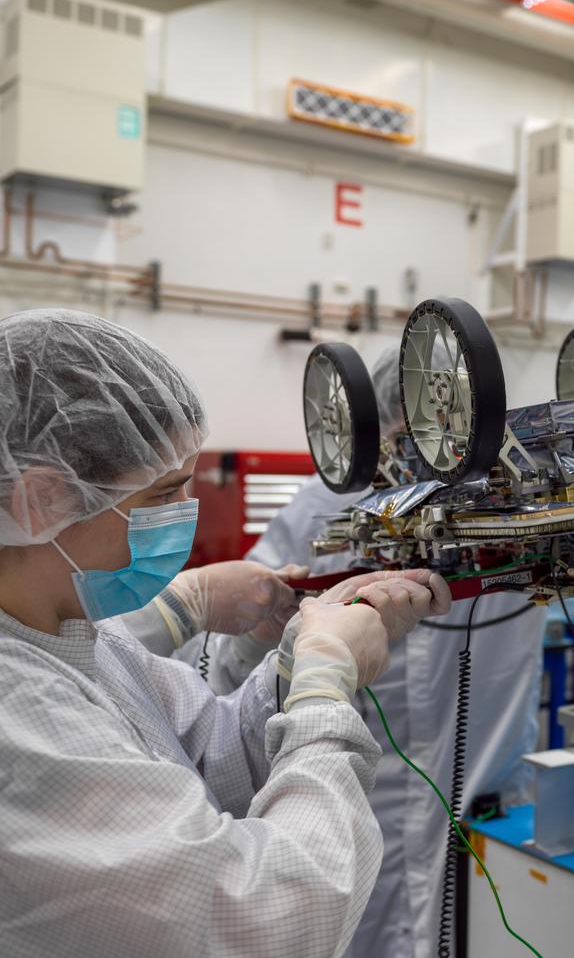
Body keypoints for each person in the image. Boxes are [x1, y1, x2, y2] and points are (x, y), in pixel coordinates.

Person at [0, 309, 451, 958]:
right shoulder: (22, 720)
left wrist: (294, 664)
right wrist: (327, 689)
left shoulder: (72, 634)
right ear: (41, 501)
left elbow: (207, 750)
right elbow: (268, 918)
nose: (183, 516)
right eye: (162, 494)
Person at [242, 345, 548, 958]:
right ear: (378, 424)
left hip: (492, 802)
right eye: (415, 423)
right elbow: (246, 640)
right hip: (359, 797)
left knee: (490, 931)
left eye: (455, 416)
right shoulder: (326, 506)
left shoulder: (524, 501)